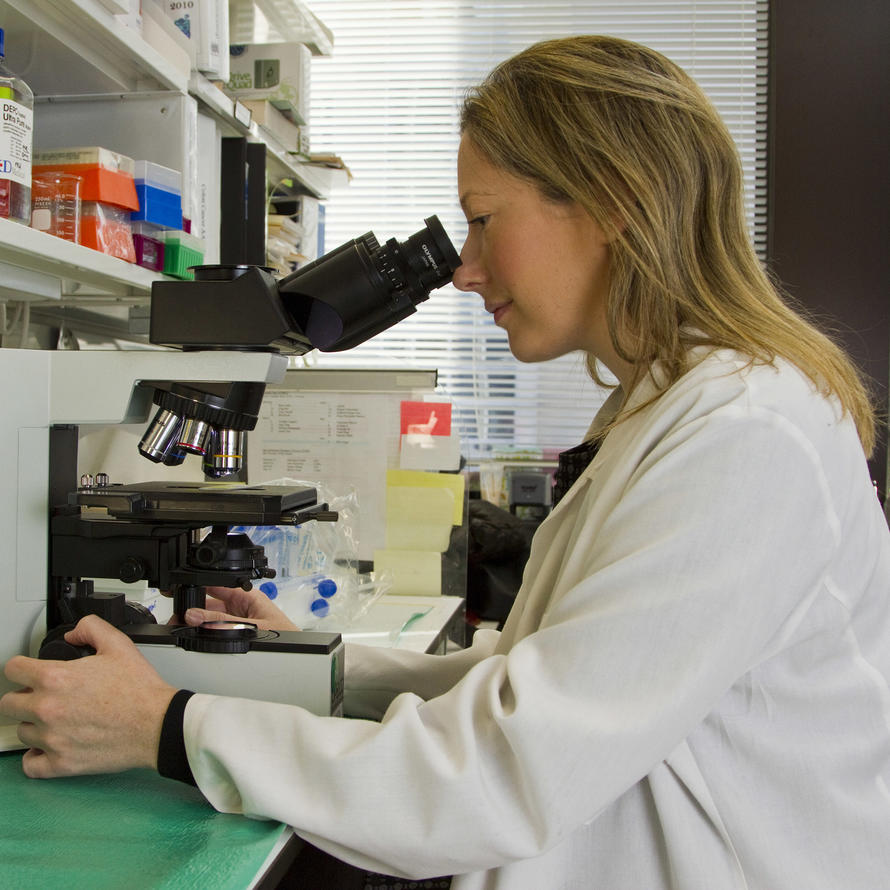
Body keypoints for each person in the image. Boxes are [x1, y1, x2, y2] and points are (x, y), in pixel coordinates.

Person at [3, 35, 889, 890]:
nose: (464, 271)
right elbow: (545, 681)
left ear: (611, 200)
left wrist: (164, 727)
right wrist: (321, 666)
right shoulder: (681, 406)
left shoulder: (745, 436)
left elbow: (503, 771)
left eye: (482, 221)